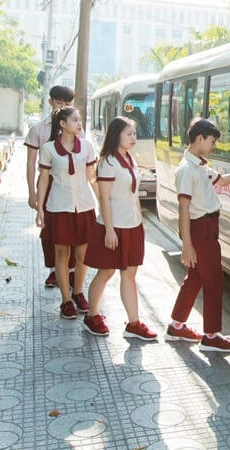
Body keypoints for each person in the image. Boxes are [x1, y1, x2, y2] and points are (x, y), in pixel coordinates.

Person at [166, 118, 230, 353]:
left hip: (206, 228)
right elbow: (183, 209)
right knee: (214, 282)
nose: (214, 145)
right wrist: (187, 245)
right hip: (202, 230)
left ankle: (176, 326)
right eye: (212, 141)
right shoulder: (187, 170)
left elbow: (223, 181)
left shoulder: (198, 165)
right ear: (200, 138)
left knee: (195, 279)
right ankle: (211, 335)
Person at [82, 117, 156, 340]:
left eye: (134, 133)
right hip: (113, 226)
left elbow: (133, 195)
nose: (134, 138)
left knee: (130, 274)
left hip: (132, 225)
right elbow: (104, 198)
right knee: (106, 272)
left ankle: (134, 323)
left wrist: (140, 222)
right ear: (117, 135)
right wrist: (109, 230)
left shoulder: (130, 158)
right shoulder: (108, 162)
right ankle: (92, 315)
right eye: (129, 134)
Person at [35, 106, 98, 319]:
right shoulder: (49, 149)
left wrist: (105, 205)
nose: (79, 124)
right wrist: (40, 208)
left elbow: (92, 178)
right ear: (62, 124)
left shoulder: (87, 147)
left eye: (80, 120)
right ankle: (66, 300)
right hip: (58, 207)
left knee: (83, 255)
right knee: (62, 254)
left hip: (84, 206)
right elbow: (44, 179)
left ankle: (78, 292)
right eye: (75, 120)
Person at [24, 85, 76, 288]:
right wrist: (32, 193)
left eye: (67, 103)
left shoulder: (76, 127)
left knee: (71, 225)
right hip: (48, 181)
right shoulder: (39, 128)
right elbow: (31, 162)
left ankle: (71, 270)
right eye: (58, 102)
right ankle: (53, 269)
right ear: (50, 102)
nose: (62, 107)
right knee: (48, 227)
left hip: (71, 183)